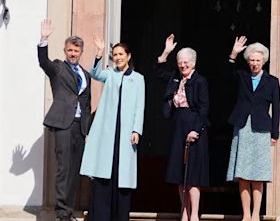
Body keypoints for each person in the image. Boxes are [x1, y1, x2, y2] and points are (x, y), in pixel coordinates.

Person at [79, 36, 145, 221]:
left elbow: (140, 106)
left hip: (126, 134)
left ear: (128, 56)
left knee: (122, 175)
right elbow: (95, 74)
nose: (118, 57)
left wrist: (136, 130)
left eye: (121, 54)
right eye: (115, 54)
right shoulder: (110, 74)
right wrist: (99, 54)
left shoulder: (139, 79)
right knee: (104, 173)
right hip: (108, 132)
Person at [37, 19, 91, 221]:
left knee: (75, 171)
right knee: (64, 169)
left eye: (76, 51)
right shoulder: (58, 68)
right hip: (63, 125)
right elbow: (44, 62)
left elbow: (86, 103)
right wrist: (44, 39)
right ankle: (61, 214)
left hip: (79, 127)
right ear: (65, 50)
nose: (73, 53)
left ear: (81, 52)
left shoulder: (85, 74)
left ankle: (68, 212)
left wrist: (86, 130)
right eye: (70, 50)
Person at [155, 34, 209, 221]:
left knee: (193, 174)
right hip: (177, 124)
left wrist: (196, 130)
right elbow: (158, 72)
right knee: (179, 173)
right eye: (180, 62)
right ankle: (184, 213)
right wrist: (166, 52)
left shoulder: (200, 81)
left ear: (193, 63)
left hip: (194, 125)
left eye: (186, 62)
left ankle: (194, 214)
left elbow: (204, 109)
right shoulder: (175, 78)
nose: (183, 65)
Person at [225, 36, 280, 221]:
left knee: (258, 174)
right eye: (252, 60)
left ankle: (256, 214)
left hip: (262, 129)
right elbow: (226, 74)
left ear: (264, 60)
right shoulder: (242, 77)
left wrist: (275, 134)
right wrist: (234, 53)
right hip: (242, 128)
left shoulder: (272, 81)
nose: (255, 63)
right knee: (243, 175)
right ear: (247, 61)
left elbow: (277, 109)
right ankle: (246, 214)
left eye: (258, 60)